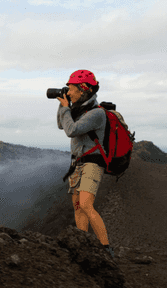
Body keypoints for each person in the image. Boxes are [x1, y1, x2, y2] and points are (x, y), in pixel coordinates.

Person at [56, 70, 114, 258]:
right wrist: (63, 106)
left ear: (84, 90)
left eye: (71, 89)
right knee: (78, 206)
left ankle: (106, 248)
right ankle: (83, 243)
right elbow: (61, 124)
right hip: (78, 162)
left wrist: (66, 108)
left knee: (86, 204)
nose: (69, 92)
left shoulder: (97, 113)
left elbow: (71, 130)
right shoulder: (77, 109)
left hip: (92, 163)